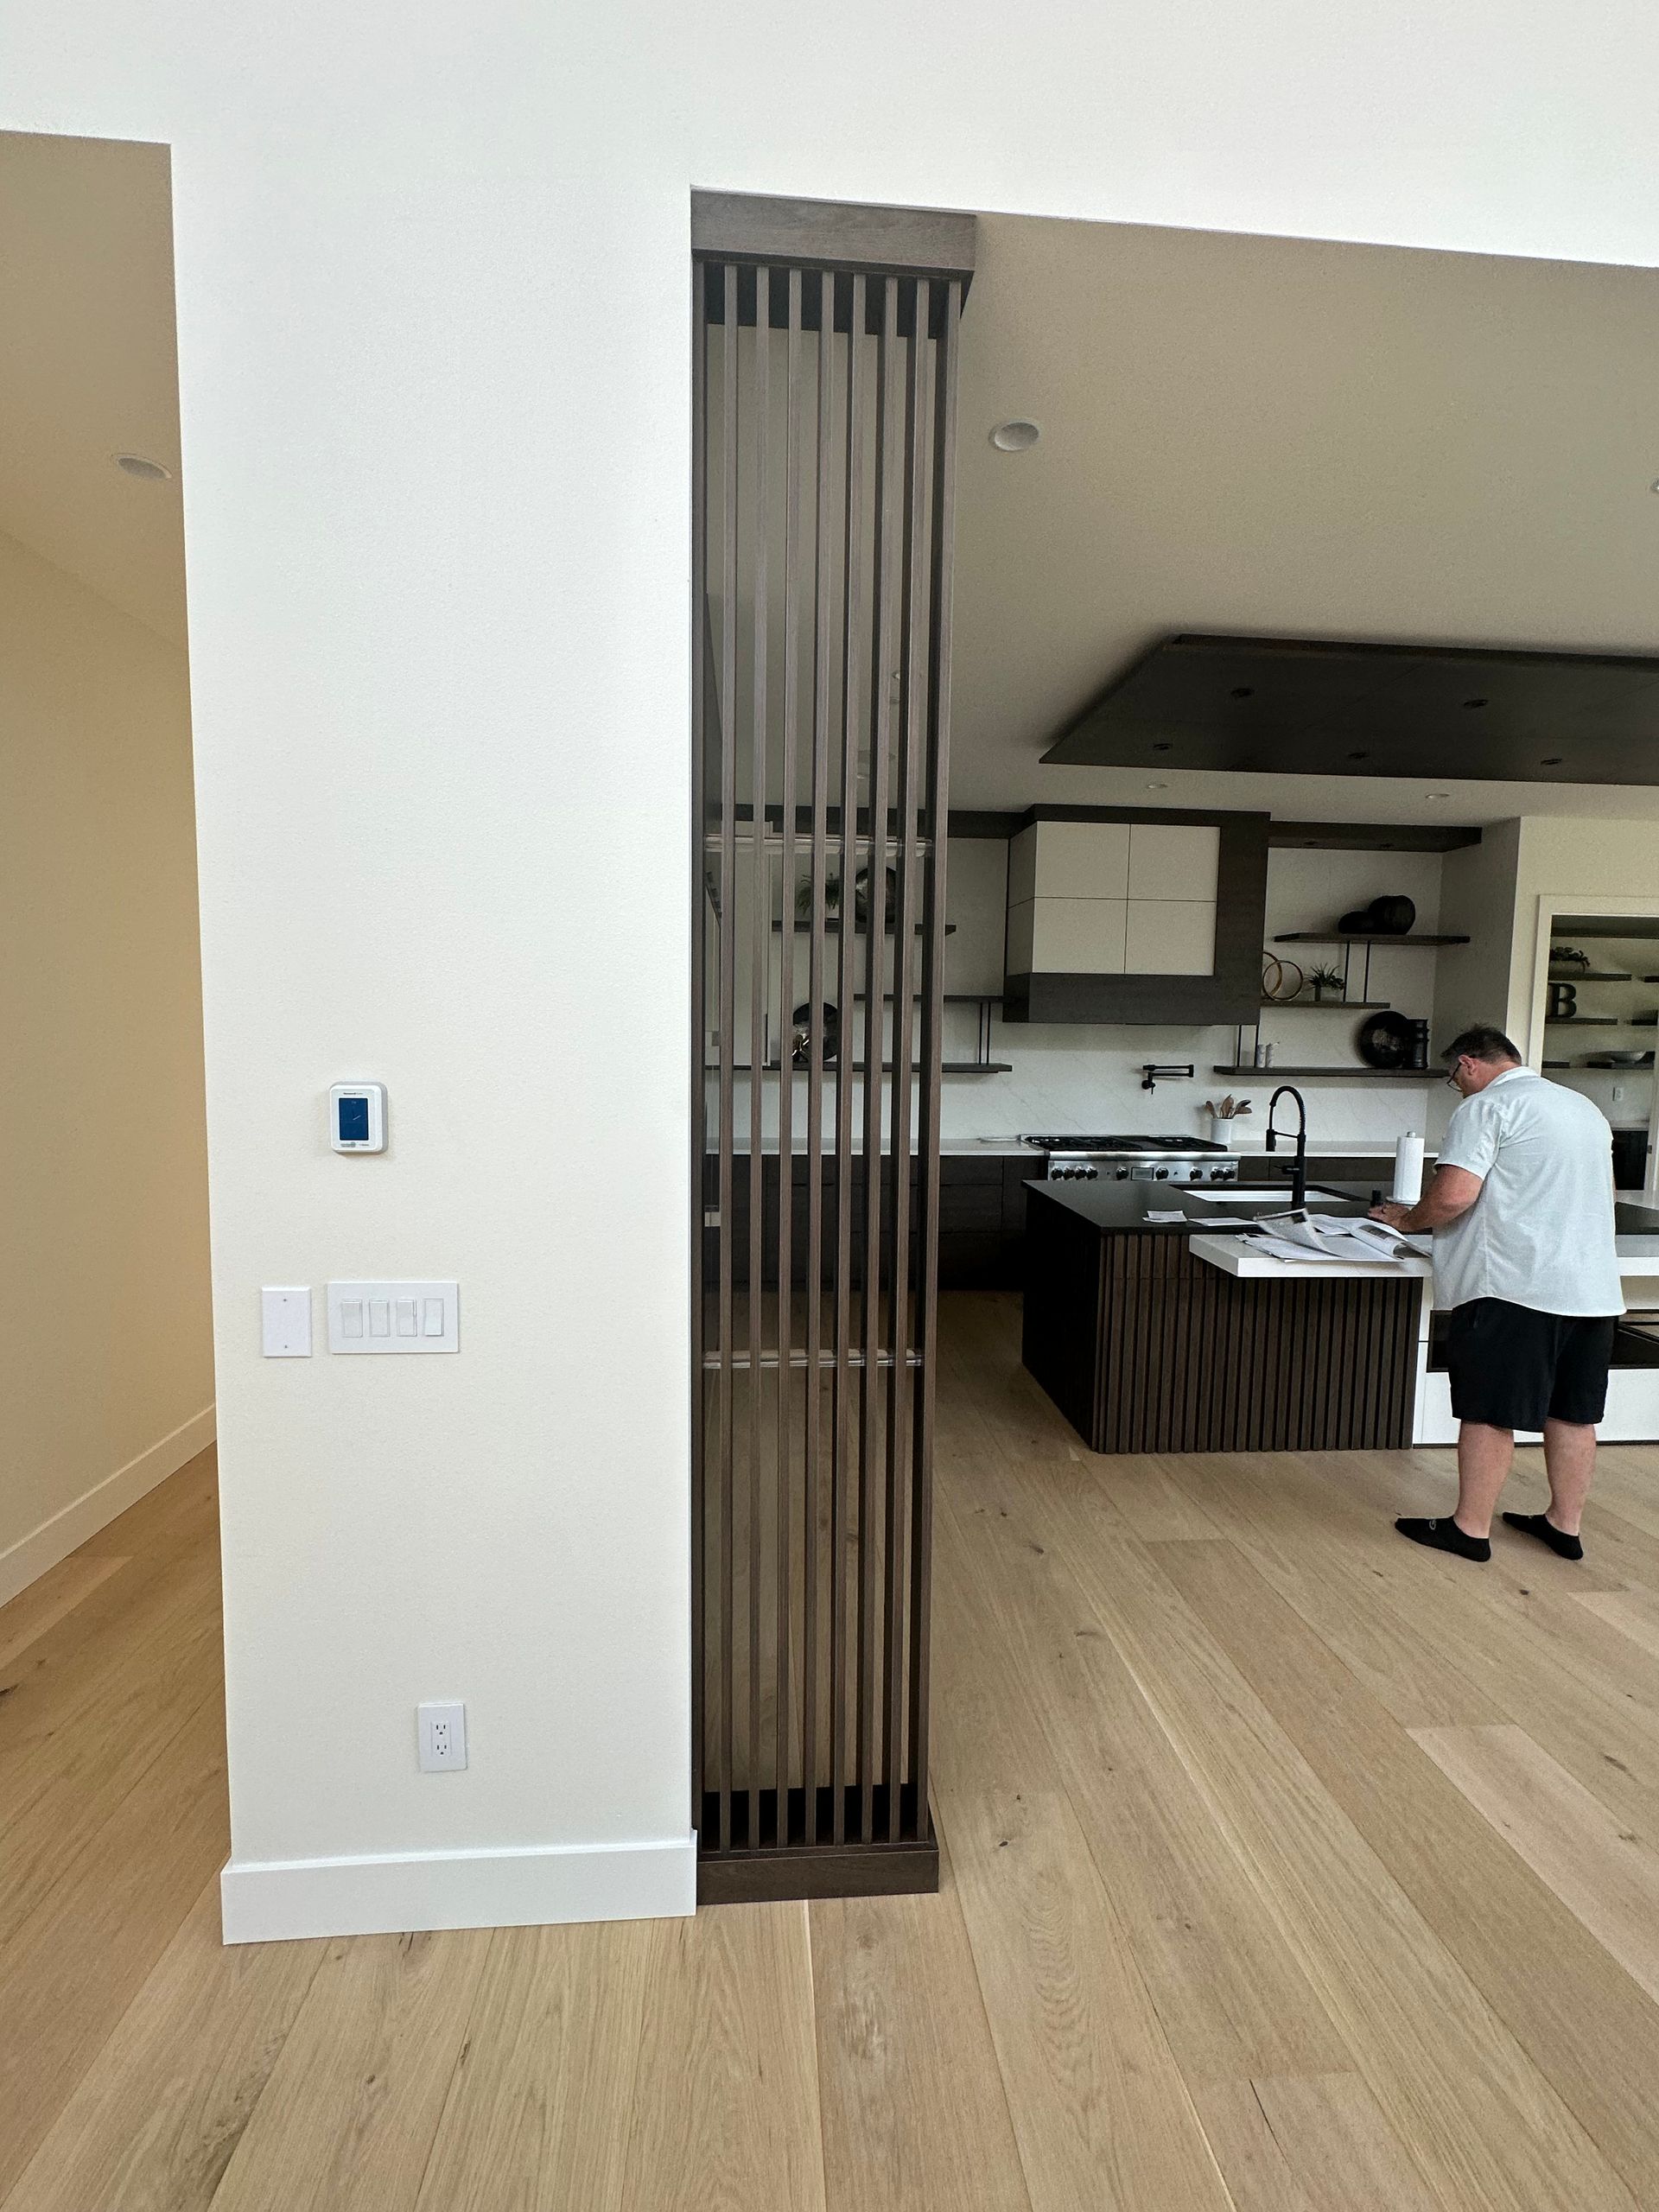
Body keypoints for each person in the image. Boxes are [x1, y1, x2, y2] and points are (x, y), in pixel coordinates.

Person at [1369, 1024, 1624, 1563]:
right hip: (1592, 1288)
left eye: (1454, 1079)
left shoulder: (1485, 1108)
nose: (1457, 1088)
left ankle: (1469, 1529)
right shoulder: (1582, 1108)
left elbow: (1455, 1195)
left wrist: (1409, 1221)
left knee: (1489, 1409)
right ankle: (1564, 1524)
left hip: (1515, 1285)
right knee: (1574, 1412)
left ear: (1467, 1064)